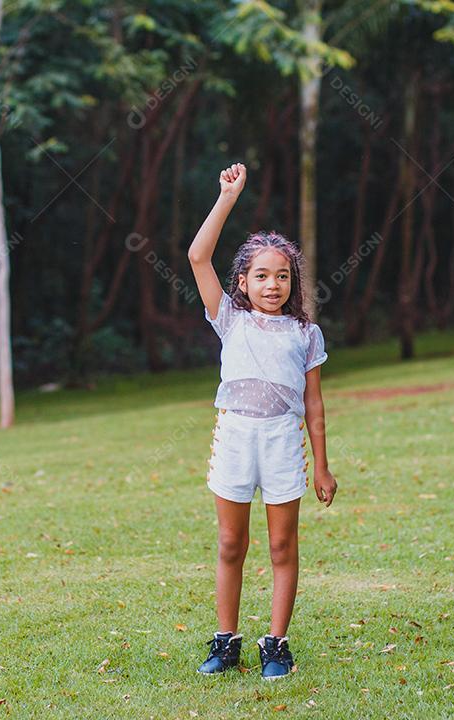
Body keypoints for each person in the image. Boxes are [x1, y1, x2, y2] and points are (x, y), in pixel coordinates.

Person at [187, 162, 337, 680]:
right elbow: (196, 255)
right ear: (243, 282)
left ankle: (276, 644)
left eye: (282, 276)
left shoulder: (305, 334)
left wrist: (322, 467)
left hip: (281, 443)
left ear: (292, 282)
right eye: (261, 275)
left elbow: (314, 406)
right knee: (231, 543)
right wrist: (227, 197)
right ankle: (225, 642)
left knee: (281, 546)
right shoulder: (229, 318)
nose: (272, 284)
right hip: (235, 436)